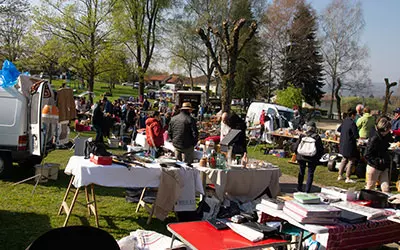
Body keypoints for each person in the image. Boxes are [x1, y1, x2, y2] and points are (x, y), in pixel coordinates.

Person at [293, 121, 324, 193]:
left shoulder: (302, 135)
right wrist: (319, 157)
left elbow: (296, 146)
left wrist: (295, 153)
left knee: (301, 172)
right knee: (310, 173)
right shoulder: (316, 137)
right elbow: (320, 149)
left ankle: (299, 187)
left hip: (301, 155)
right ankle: (307, 190)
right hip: (312, 157)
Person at [364, 116, 393, 193]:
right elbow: (367, 155)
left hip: (383, 166)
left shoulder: (384, 136)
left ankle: (386, 203)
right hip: (374, 166)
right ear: (385, 129)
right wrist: (378, 161)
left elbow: (388, 142)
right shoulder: (374, 138)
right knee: (370, 187)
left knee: (386, 188)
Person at [337, 108, 359, 183]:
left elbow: (339, 129)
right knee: (351, 160)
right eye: (355, 115)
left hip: (343, 143)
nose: (355, 117)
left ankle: (340, 175)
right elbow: (356, 135)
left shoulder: (345, 121)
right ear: (353, 115)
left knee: (344, 159)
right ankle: (348, 177)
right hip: (350, 144)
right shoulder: (352, 123)